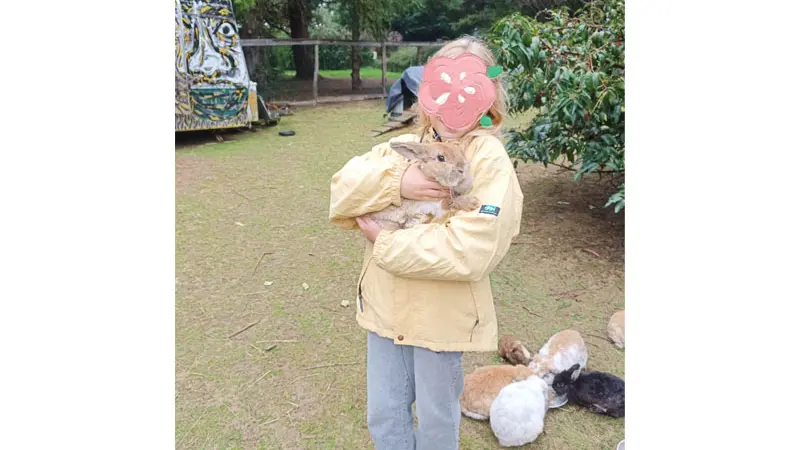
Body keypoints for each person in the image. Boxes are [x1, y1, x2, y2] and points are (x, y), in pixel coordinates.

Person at [328, 36, 523, 450]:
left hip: (441, 318)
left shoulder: (487, 158)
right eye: (441, 87)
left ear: (489, 95)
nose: (453, 103)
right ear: (425, 90)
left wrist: (385, 243)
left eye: (467, 89)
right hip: (384, 311)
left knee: (437, 419)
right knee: (385, 414)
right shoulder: (406, 148)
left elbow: (472, 249)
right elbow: (342, 191)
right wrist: (398, 183)